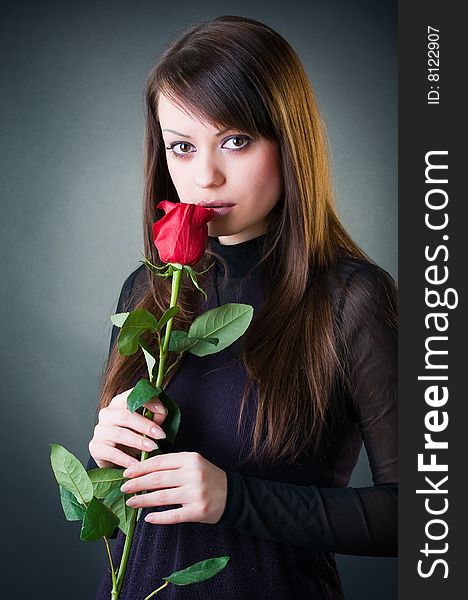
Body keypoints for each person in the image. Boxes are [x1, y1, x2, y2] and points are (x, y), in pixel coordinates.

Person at [87, 14, 397, 600]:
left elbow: (428, 515)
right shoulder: (146, 294)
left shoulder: (353, 300)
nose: (204, 175)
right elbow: (130, 497)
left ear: (287, 136)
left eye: (235, 140)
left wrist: (236, 498)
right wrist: (107, 453)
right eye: (181, 147)